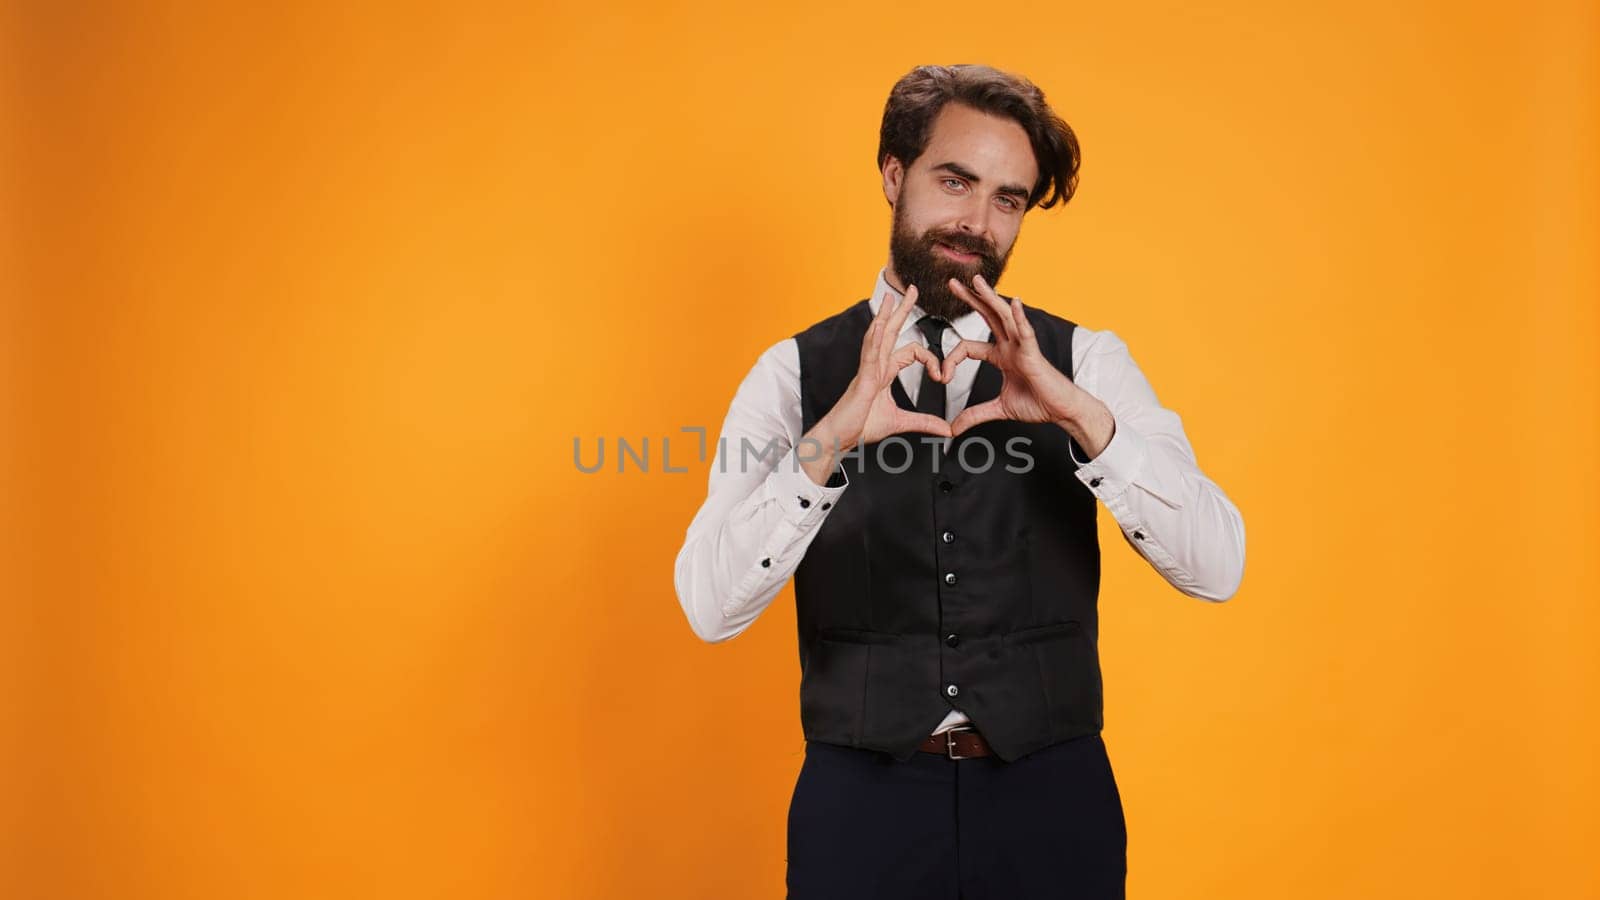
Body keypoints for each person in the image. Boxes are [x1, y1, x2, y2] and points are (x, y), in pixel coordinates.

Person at [672, 63, 1246, 900]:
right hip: (858, 811)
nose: (977, 222)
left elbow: (1218, 568)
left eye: (1008, 199)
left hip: (1053, 802)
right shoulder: (791, 376)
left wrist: (1086, 422)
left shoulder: (1087, 363)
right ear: (894, 173)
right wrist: (828, 441)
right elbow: (709, 605)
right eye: (955, 181)